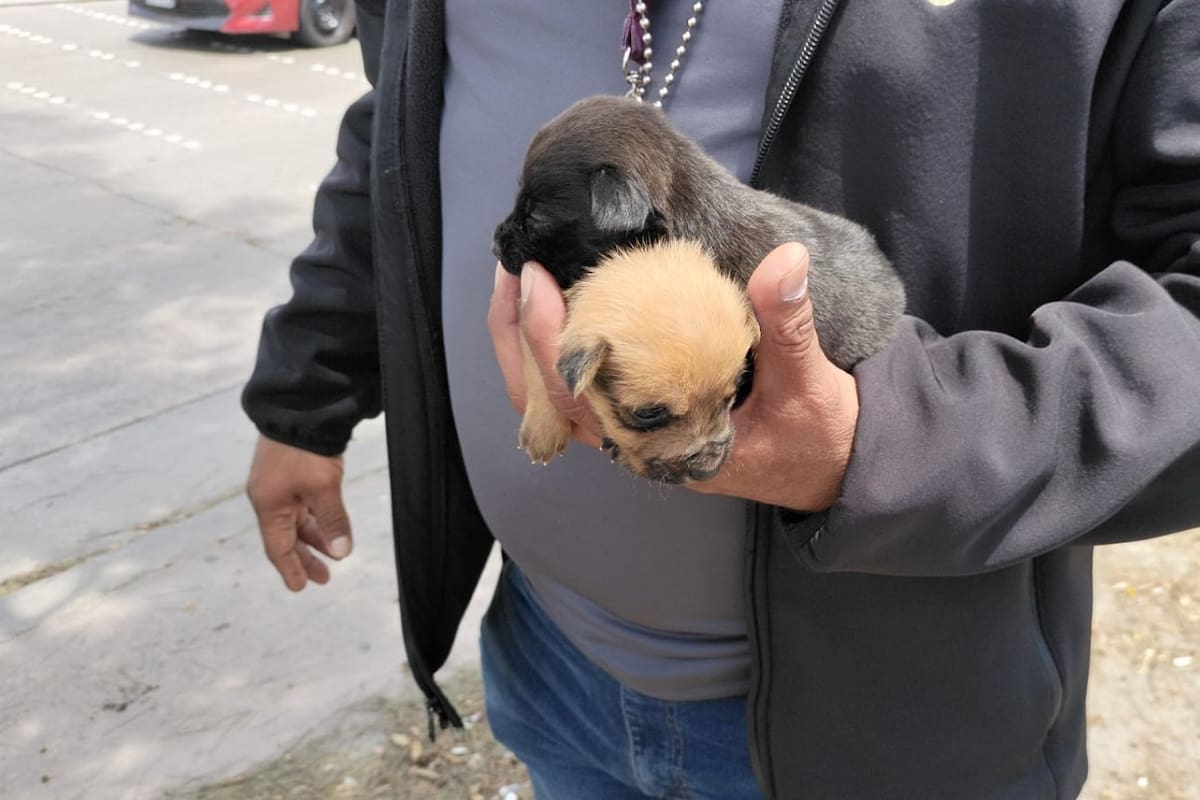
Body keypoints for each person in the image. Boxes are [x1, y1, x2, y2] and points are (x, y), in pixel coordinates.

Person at [242, 1, 1200, 798]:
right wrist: (304, 394)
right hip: (547, 651)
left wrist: (888, 446)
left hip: (884, 733)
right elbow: (398, 126)